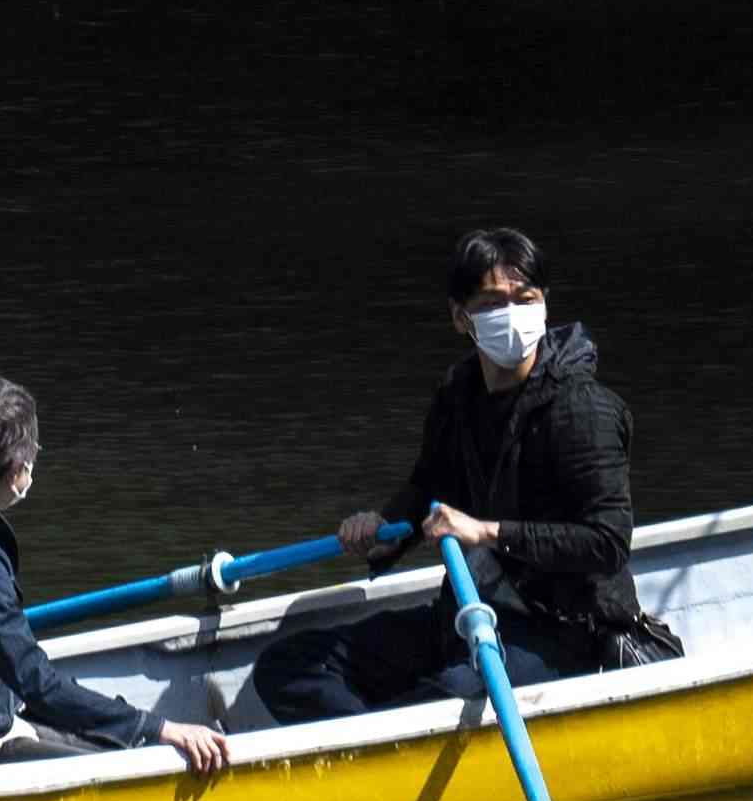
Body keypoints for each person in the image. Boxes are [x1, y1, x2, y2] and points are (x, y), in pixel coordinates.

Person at [243, 224, 661, 725]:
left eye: (524, 298)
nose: (511, 314)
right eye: (491, 303)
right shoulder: (459, 393)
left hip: (563, 632)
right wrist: (381, 530)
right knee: (288, 665)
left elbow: (607, 543)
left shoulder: (583, 411)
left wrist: (487, 532)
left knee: (438, 705)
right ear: (461, 317)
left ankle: (387, 745)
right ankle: (373, 751)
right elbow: (429, 487)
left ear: (545, 305)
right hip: (469, 611)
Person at [0, 367, 237, 777]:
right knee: (115, 768)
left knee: (106, 736)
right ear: (16, 471)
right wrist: (159, 727)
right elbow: (37, 683)